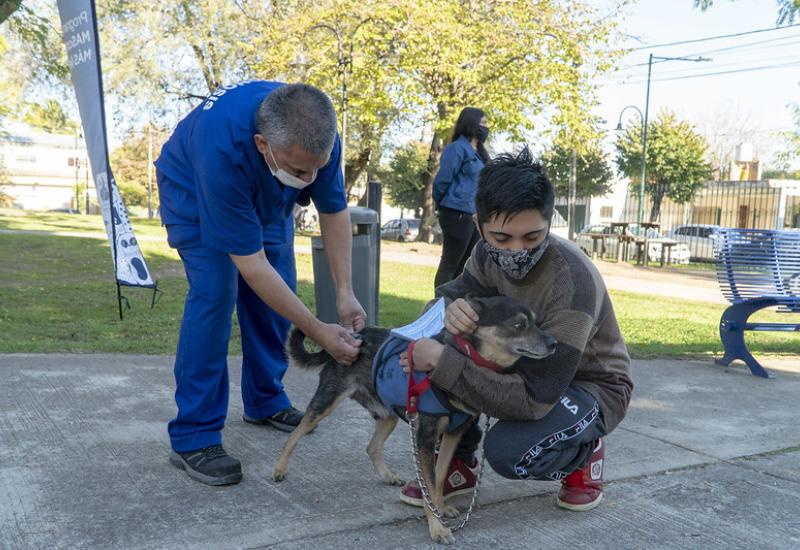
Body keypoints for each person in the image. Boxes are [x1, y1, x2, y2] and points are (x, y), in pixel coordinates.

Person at [155, 81, 366, 486]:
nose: (310, 179)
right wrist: (317, 330)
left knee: (278, 292)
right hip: (194, 194)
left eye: (317, 168)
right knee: (216, 295)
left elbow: (335, 211)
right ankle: (193, 436)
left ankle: (265, 399)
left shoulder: (316, 132)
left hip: (266, 196)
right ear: (262, 144)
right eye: (300, 170)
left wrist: (344, 292)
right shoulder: (222, 151)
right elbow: (251, 266)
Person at [400, 147, 633, 511]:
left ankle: (583, 448)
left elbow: (535, 398)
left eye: (532, 237)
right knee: (403, 377)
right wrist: (448, 312)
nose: (516, 251)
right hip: (525, 364)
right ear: (478, 225)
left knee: (511, 452)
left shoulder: (573, 282)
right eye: (501, 239)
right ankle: (458, 462)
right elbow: (441, 304)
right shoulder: (482, 253)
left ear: (549, 221)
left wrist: (444, 362)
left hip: (589, 384)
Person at [432, 107, 491, 289]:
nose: (486, 127)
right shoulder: (457, 149)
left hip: (474, 216)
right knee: (450, 263)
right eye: (483, 123)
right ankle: (439, 307)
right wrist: (443, 206)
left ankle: (455, 306)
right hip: (456, 214)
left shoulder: (480, 154)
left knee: (465, 265)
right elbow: (441, 182)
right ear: (471, 123)